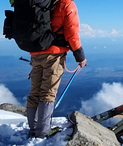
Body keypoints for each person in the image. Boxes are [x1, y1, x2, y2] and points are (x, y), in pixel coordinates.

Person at [26, 0, 87, 138]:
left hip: (35, 52)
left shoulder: (38, 2)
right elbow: (72, 32)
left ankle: (33, 130)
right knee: (47, 93)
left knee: (34, 92)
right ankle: (42, 133)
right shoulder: (66, 4)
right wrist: (80, 56)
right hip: (54, 54)